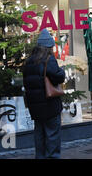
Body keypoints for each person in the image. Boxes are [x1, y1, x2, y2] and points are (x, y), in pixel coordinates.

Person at [23, 29, 66, 159]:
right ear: (49, 47)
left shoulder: (29, 61)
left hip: (35, 107)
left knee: (39, 136)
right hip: (50, 106)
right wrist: (62, 71)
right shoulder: (49, 59)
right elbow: (58, 77)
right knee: (52, 136)